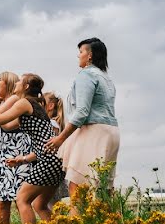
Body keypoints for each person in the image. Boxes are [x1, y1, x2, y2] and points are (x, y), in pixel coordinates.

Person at [0, 74, 64, 224]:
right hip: (56, 160)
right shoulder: (32, 104)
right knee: (39, 205)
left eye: (19, 81)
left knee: (22, 199)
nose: (16, 83)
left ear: (26, 86)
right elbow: (5, 124)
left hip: (47, 160)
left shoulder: (24, 103)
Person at [45, 38, 120, 198]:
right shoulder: (107, 78)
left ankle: (78, 222)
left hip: (93, 132)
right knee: (103, 189)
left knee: (78, 188)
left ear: (90, 55)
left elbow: (82, 111)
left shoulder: (86, 75)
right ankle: (108, 222)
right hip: (111, 132)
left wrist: (61, 138)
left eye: (81, 52)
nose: (78, 56)